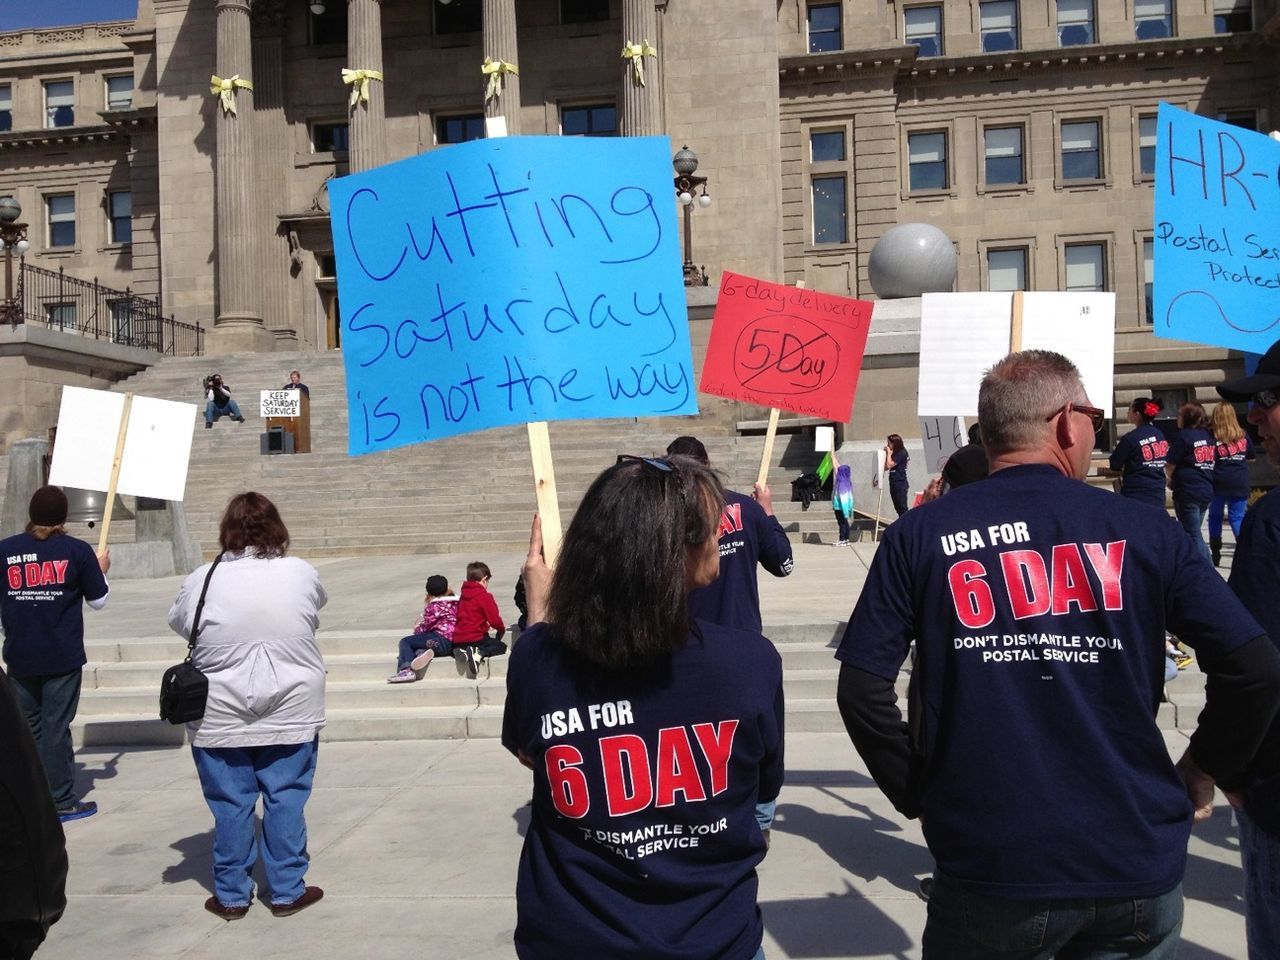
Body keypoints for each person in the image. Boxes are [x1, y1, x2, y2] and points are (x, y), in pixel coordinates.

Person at [836, 349, 1280, 959]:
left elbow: (862, 688)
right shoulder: (1148, 530)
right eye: (1094, 416)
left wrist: (918, 789)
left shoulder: (921, 534)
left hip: (993, 856)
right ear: (1067, 421)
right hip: (1128, 852)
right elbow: (1253, 666)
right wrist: (1202, 770)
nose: (1095, 431)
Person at [503, 456, 784, 960]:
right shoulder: (748, 663)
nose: (721, 537)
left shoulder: (535, 658)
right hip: (712, 938)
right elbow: (762, 791)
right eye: (710, 528)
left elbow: (533, 754)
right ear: (673, 554)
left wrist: (541, 617)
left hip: (575, 938)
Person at [167, 492, 327, 921]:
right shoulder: (300, 572)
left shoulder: (203, 577)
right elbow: (314, 612)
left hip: (220, 715)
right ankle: (287, 889)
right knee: (286, 798)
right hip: (291, 711)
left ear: (228, 531)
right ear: (276, 528)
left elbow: (181, 623)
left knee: (230, 804)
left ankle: (232, 895)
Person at [1216, 338, 1280, 957]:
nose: (1255, 416)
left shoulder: (1273, 522)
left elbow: (1254, 664)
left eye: (1267, 399)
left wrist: (1225, 766)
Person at [1, 485, 109, 823]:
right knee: (56, 727)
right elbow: (99, 600)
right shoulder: (76, 551)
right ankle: (61, 799)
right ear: (64, 517)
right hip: (60, 655)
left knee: (30, 728)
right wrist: (100, 569)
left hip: (19, 653)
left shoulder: (5, 550)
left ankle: (33, 799)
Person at [665, 436, 793, 634]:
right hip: (739, 635)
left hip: (691, 638)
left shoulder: (664, 515)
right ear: (708, 465)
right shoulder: (748, 508)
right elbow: (784, 564)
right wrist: (767, 512)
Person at [0, 662, 68, 960]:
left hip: (24, 654)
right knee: (53, 725)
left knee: (41, 725)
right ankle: (63, 793)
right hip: (54, 655)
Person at [1165, 401, 1216, 561]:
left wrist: (1170, 480)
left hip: (1188, 490)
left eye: (1180, 415)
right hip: (1206, 489)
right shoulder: (1208, 436)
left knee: (1193, 534)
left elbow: (1170, 464)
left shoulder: (1183, 436)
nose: (1176, 418)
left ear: (1188, 417)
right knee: (1195, 532)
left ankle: (1207, 571)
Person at [387, 574, 459, 683]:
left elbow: (426, 627)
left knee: (406, 642)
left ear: (429, 593)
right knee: (421, 643)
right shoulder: (457, 602)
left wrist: (417, 629)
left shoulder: (433, 606)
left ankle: (405, 670)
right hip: (454, 642)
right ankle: (422, 654)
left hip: (439, 641)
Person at [1208, 401, 1254, 567]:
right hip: (1239, 481)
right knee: (1237, 518)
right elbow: (1252, 457)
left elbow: (1208, 458)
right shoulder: (1243, 435)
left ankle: (1216, 552)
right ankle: (1245, 551)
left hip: (1218, 481)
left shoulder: (1213, 436)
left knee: (1215, 516)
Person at [1106, 396, 1169, 508]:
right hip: (1158, 491)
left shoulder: (1131, 438)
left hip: (1136, 493)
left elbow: (1114, 464)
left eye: (1130, 409)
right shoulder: (1160, 435)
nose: (1127, 412)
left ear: (1137, 414)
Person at [452, 561, 505, 680]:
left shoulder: (463, 596)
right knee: (501, 646)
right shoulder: (484, 596)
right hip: (476, 638)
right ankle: (479, 653)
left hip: (458, 639)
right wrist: (501, 629)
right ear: (484, 579)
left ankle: (462, 651)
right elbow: (495, 620)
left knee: (470, 643)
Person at [831, 448, 854, 546]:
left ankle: (842, 539)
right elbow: (837, 467)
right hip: (843, 507)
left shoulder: (842, 484)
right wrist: (833, 458)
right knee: (845, 523)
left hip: (840, 507)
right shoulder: (845, 480)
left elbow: (843, 499)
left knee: (842, 523)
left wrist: (845, 511)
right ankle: (846, 539)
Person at [884, 434, 910, 517]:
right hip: (894, 482)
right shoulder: (895, 453)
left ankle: (907, 527)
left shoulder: (901, 452)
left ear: (894, 443)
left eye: (889, 443)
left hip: (900, 483)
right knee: (898, 508)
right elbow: (885, 467)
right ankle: (902, 526)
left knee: (902, 508)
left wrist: (888, 453)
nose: (888, 445)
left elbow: (889, 465)